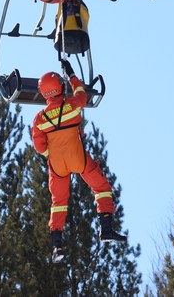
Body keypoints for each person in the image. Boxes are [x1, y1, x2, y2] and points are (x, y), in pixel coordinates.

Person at [31, 59, 126, 263]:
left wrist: (51, 155)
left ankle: (57, 245)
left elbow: (39, 146)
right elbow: (81, 94)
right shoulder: (72, 106)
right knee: (102, 187)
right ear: (60, 87)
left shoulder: (39, 119)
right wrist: (72, 74)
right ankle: (106, 228)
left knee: (59, 203)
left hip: (57, 166)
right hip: (78, 159)